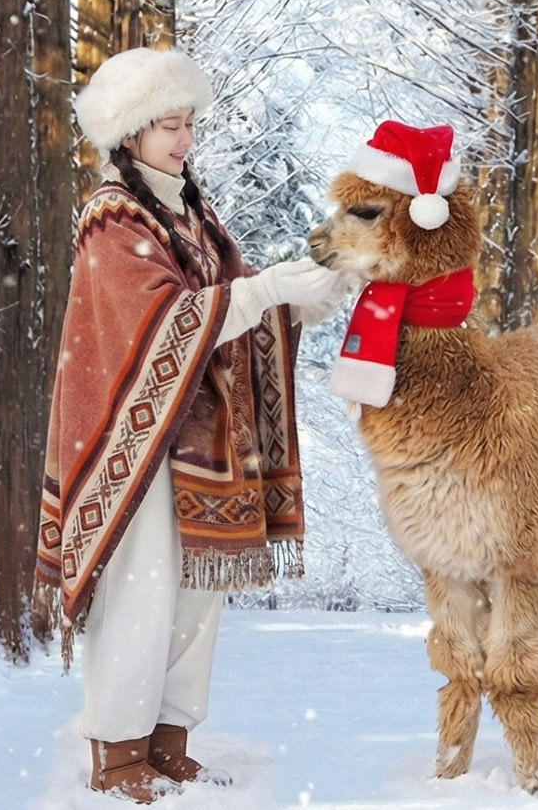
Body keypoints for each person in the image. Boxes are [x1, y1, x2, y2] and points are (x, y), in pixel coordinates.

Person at [38, 47, 353, 801]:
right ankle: (116, 753)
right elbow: (166, 322)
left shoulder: (194, 212)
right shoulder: (113, 217)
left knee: (191, 597)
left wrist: (305, 295)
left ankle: (168, 740)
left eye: (188, 124)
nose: (184, 139)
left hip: (202, 441)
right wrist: (266, 289)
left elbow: (235, 304)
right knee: (139, 597)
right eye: (167, 126)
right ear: (129, 133)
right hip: (134, 440)